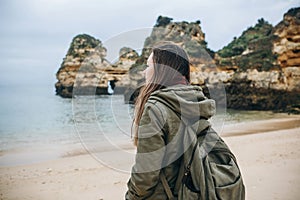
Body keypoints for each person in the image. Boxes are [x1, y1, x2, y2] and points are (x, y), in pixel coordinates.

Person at [125, 42, 242, 199]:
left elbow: (145, 176)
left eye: (148, 66)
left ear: (161, 70)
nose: (145, 72)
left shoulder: (155, 108)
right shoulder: (195, 101)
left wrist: (131, 196)